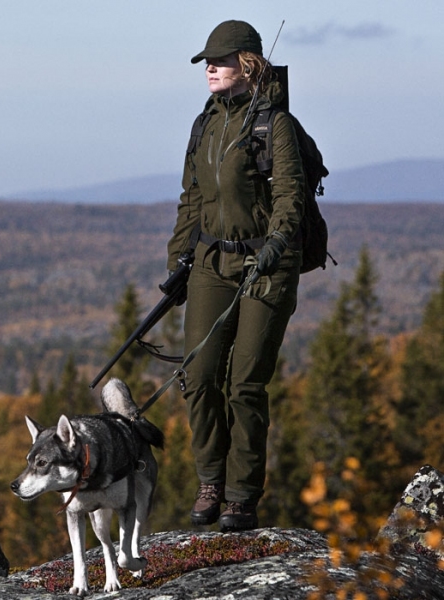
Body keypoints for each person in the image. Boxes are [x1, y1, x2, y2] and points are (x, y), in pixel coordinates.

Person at [166, 19, 305, 532]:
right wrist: (178, 262)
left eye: (219, 61)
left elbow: (290, 197)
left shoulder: (276, 125)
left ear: (247, 64)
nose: (209, 68)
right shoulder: (204, 124)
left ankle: (241, 497)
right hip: (209, 264)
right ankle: (210, 482)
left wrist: (274, 248)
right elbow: (192, 200)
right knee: (199, 377)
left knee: (245, 384)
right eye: (206, 61)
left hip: (265, 268)